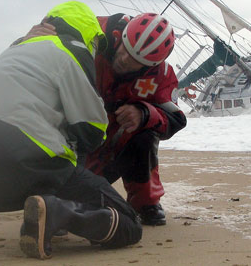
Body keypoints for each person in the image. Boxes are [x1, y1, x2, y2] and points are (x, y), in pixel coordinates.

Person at [0, 1, 142, 260]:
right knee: (130, 224)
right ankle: (61, 212)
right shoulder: (73, 50)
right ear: (88, 35)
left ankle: (47, 213)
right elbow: (92, 129)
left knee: (53, 140)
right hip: (28, 151)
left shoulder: (16, 49)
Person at [25, 12, 187, 226]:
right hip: (70, 132)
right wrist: (30, 40)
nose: (124, 60)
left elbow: (175, 118)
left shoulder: (161, 76)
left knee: (144, 134)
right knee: (59, 193)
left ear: (151, 66)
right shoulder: (93, 31)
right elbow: (39, 54)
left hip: (109, 147)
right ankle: (55, 189)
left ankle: (146, 202)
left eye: (135, 62)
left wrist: (144, 112)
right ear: (121, 36)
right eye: (125, 51)